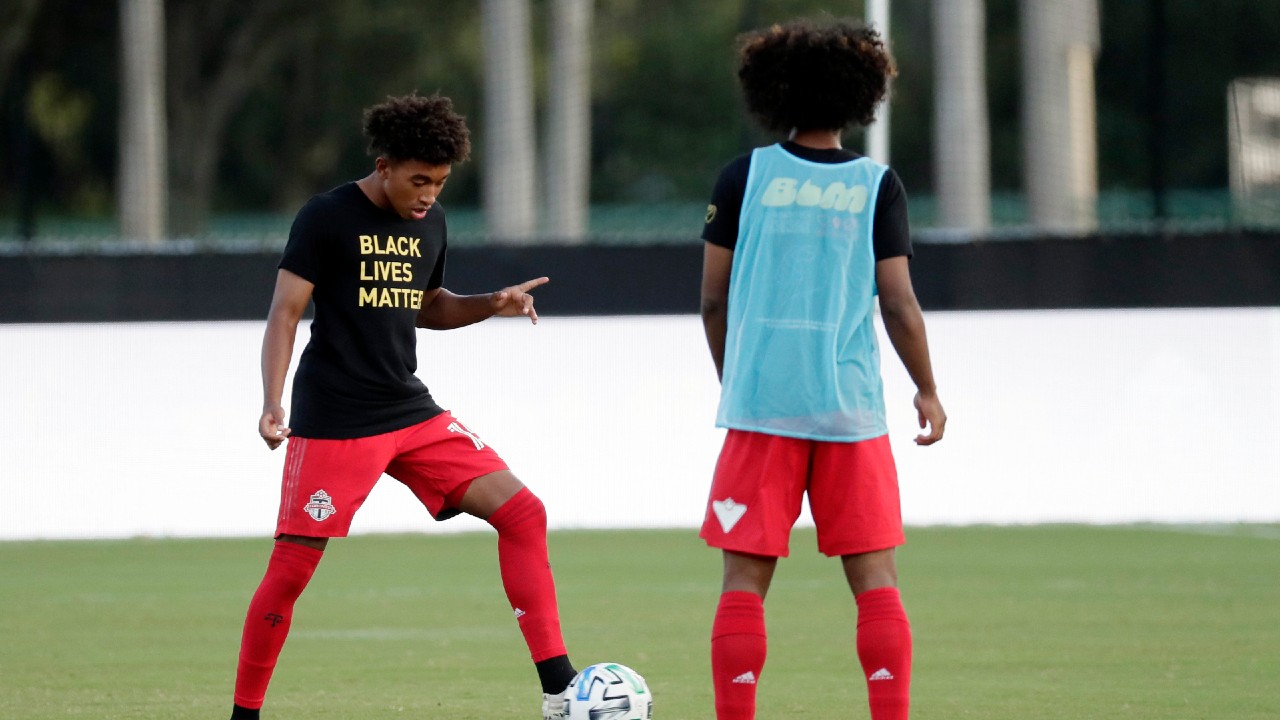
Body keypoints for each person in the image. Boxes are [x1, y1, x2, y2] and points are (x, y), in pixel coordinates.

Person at [229, 93, 577, 720]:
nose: (428, 195)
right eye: (419, 180)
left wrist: (489, 303)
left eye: (440, 183)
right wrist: (270, 401)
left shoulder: (432, 222)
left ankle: (560, 692)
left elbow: (429, 306)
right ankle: (244, 714)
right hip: (335, 420)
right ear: (384, 164)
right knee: (290, 574)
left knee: (523, 513)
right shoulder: (325, 217)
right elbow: (285, 312)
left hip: (409, 411)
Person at [698, 19, 947, 720]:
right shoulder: (877, 185)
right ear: (860, 98)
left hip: (761, 408)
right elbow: (898, 303)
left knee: (744, 580)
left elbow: (712, 299)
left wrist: (735, 376)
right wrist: (925, 388)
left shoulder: (743, 176)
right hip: (850, 408)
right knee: (874, 578)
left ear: (773, 91)